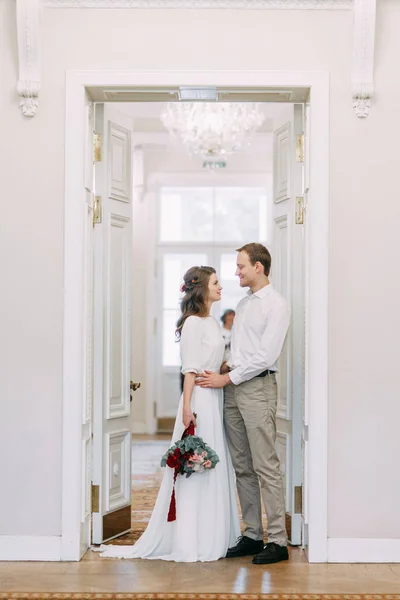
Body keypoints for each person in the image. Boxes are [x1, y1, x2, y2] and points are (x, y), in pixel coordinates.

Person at [99, 266, 240, 562]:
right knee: (195, 467)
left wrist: (233, 369)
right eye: (216, 283)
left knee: (215, 465)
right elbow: (190, 370)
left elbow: (217, 362)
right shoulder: (192, 324)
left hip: (215, 395)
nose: (221, 287)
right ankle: (190, 538)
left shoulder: (213, 321)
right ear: (201, 288)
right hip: (199, 399)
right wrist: (188, 408)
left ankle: (214, 533)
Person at [196, 243, 291, 565]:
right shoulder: (244, 303)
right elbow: (242, 348)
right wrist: (225, 366)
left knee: (266, 465)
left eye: (241, 266)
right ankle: (252, 534)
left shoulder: (276, 305)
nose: (236, 272)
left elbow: (266, 355)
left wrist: (229, 378)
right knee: (242, 465)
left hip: (257, 388)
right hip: (234, 387)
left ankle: (277, 540)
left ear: (259, 267)